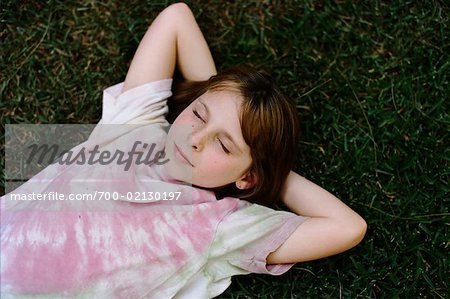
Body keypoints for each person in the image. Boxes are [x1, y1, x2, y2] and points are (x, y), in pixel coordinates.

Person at [0, 3, 366, 298]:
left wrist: (272, 171)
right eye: (197, 114)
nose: (195, 138)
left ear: (246, 176)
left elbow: (348, 227)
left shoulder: (221, 224)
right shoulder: (137, 125)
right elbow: (176, 18)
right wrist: (214, 96)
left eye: (223, 145)